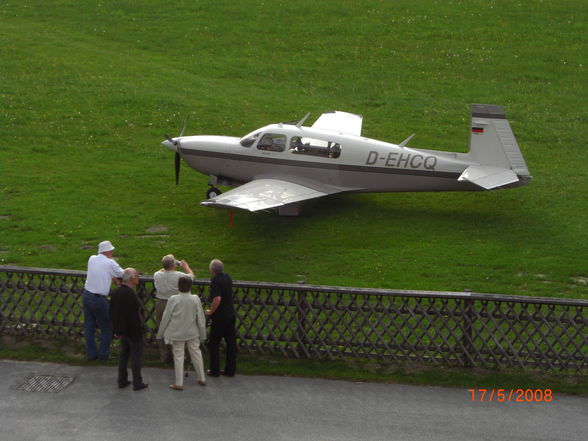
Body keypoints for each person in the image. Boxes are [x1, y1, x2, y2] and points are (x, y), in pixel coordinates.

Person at [157, 276, 207, 390]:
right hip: (192, 332)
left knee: (178, 356)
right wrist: (203, 334)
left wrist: (160, 333)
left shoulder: (173, 299)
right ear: (191, 287)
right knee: (196, 353)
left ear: (178, 286)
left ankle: (179, 383)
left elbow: (166, 317)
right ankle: (201, 378)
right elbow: (201, 318)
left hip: (176, 333)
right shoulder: (195, 299)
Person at [82, 240, 124, 361]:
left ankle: (91, 355)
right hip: (98, 299)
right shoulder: (110, 263)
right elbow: (122, 273)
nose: (112, 252)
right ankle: (103, 354)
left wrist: (112, 276)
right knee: (107, 327)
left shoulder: (92, 259)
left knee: (89, 327)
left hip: (86, 295)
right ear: (107, 251)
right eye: (111, 250)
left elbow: (103, 271)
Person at [110, 268, 148, 391]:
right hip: (132, 331)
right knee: (136, 356)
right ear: (131, 279)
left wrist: (117, 331)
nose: (138, 278)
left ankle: (122, 380)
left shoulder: (116, 292)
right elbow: (132, 316)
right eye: (137, 275)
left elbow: (112, 313)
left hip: (121, 331)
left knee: (124, 355)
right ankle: (137, 382)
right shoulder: (130, 294)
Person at [153, 255, 194, 363]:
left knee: (161, 328)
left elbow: (162, 270)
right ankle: (176, 355)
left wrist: (168, 264)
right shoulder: (179, 275)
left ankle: (164, 356)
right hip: (174, 303)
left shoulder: (157, 275)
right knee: (176, 328)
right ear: (173, 265)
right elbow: (191, 277)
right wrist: (185, 266)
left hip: (160, 302)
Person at [205, 259, 237, 377]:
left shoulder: (215, 281)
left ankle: (214, 370)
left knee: (214, 343)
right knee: (231, 343)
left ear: (213, 271)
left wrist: (210, 311)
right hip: (231, 314)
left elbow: (217, 298)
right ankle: (230, 369)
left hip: (220, 316)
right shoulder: (227, 278)